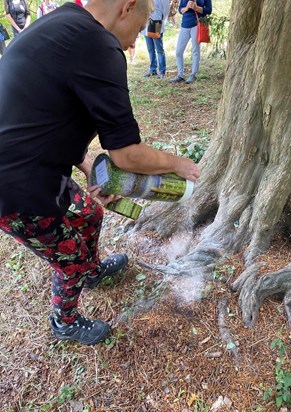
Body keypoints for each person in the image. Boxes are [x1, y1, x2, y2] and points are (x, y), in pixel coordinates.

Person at [0, 0, 201, 346]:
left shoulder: (65, 21)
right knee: (70, 257)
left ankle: (91, 272)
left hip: (31, 164)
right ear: (127, 6)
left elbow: (46, 110)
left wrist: (87, 164)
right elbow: (128, 155)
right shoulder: (99, 45)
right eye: (138, 30)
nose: (134, 42)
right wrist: (180, 164)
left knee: (90, 212)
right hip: (15, 186)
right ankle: (64, 321)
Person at [169, 0, 212, 84]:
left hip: (197, 24)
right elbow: (180, 9)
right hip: (185, 25)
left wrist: (196, 8)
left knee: (195, 50)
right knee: (178, 51)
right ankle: (180, 75)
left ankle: (193, 74)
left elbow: (208, 10)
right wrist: (187, 7)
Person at [143, 0, 170, 79]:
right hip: (147, 24)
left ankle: (162, 71)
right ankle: (152, 70)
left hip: (156, 24)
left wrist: (161, 23)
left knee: (159, 49)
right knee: (150, 49)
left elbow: (166, 11)